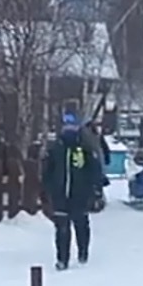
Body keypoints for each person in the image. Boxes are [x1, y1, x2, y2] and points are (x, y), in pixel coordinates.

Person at [41, 111, 106, 270]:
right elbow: (47, 171)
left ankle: (83, 252)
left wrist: (95, 189)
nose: (69, 129)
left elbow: (94, 169)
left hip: (80, 195)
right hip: (60, 195)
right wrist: (48, 188)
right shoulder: (56, 148)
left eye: (72, 125)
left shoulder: (85, 148)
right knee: (62, 228)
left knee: (81, 225)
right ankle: (62, 259)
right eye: (66, 125)